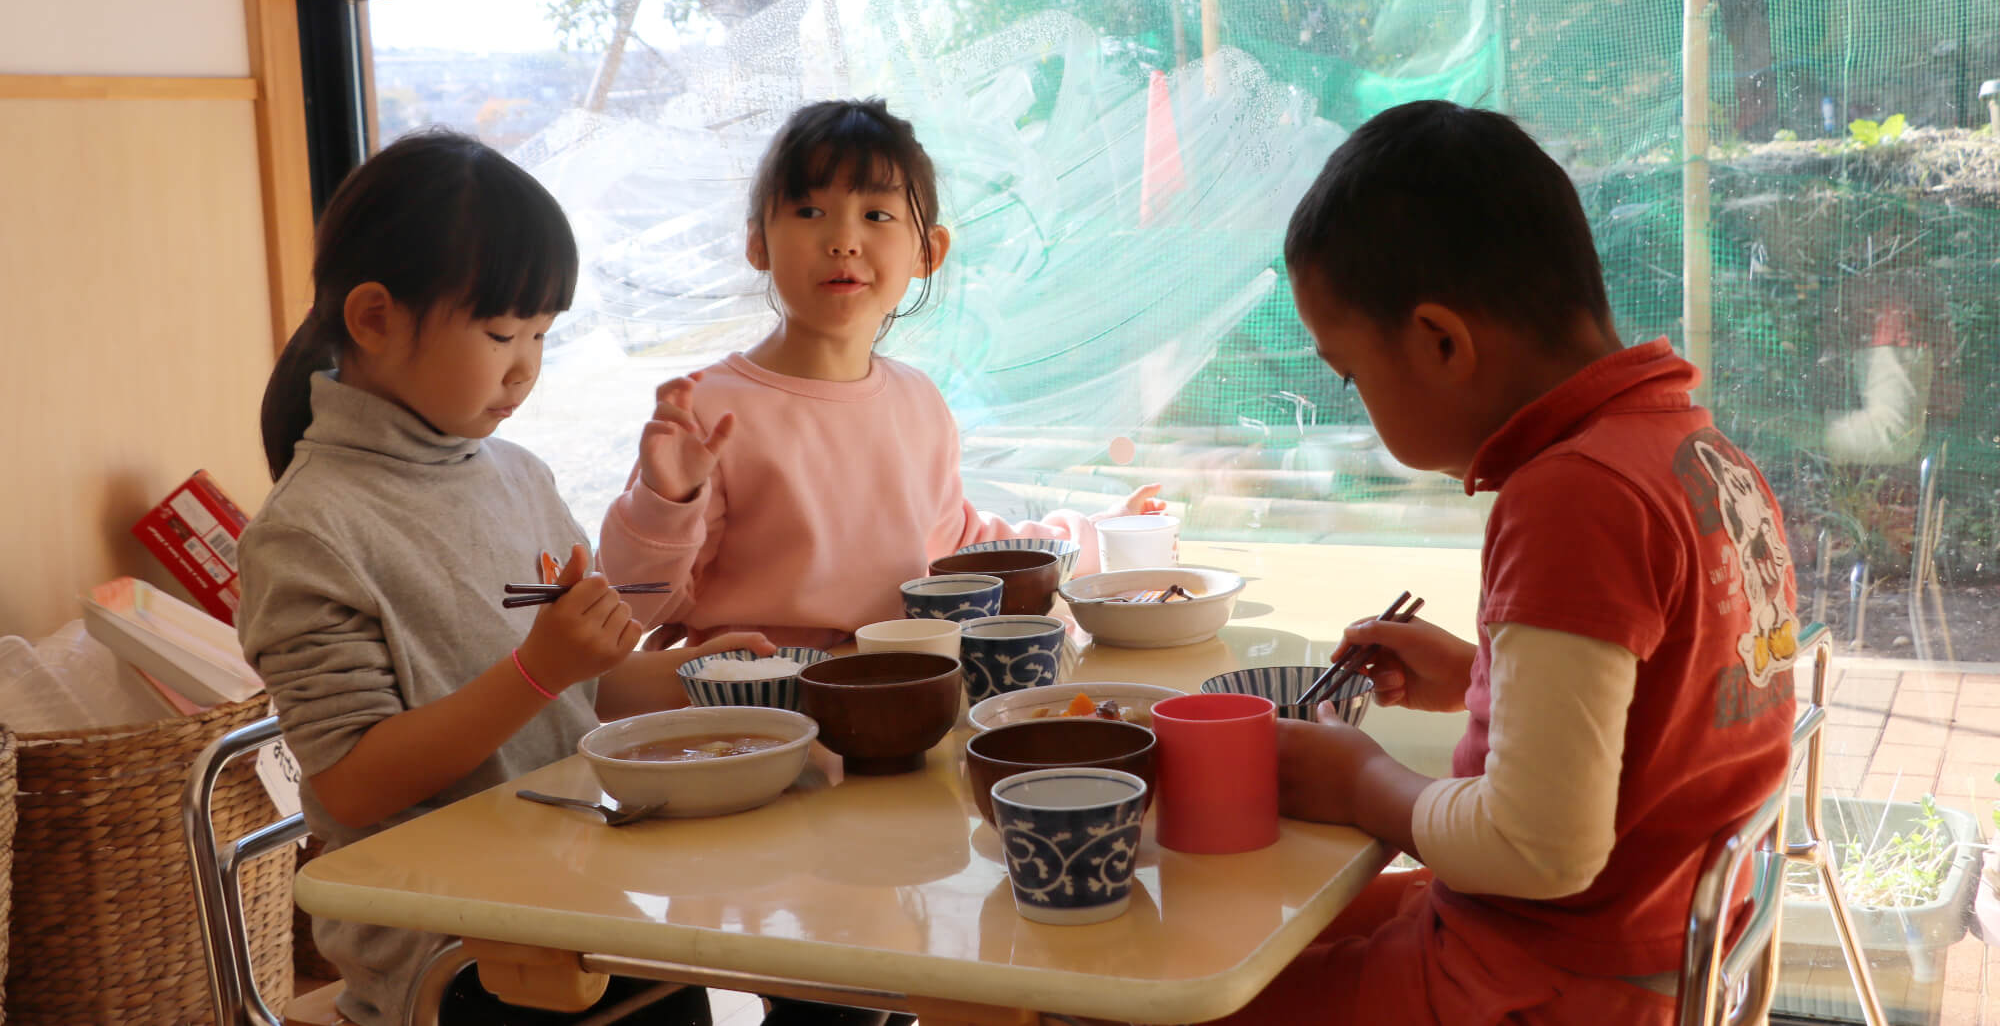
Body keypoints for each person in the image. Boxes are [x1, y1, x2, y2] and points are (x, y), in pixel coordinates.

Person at [1209, 100, 1802, 1025]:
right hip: (1637, 952)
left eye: (1350, 373)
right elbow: (1663, 711)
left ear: (1442, 340)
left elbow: (1540, 850)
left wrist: (1360, 780)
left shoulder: (1574, 494)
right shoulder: (1692, 451)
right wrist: (1483, 678)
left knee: (1173, 990)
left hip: (1541, 979)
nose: (1356, 399)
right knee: (1239, 929)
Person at [237, 130, 777, 1026]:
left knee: (716, 952)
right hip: (451, 944)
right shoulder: (307, 531)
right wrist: (540, 668)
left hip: (573, 886)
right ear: (372, 318)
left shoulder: (516, 472)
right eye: (499, 332)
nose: (525, 364)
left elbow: (582, 690)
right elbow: (347, 787)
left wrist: (695, 675)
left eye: (542, 333)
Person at [599, 98, 1162, 648]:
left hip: (900, 689)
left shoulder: (917, 400)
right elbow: (636, 608)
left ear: (928, 251)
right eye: (809, 211)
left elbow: (959, 545)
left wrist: (1100, 535)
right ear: (756, 242)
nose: (843, 240)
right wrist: (664, 502)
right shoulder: (708, 409)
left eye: (876, 215)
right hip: (758, 713)